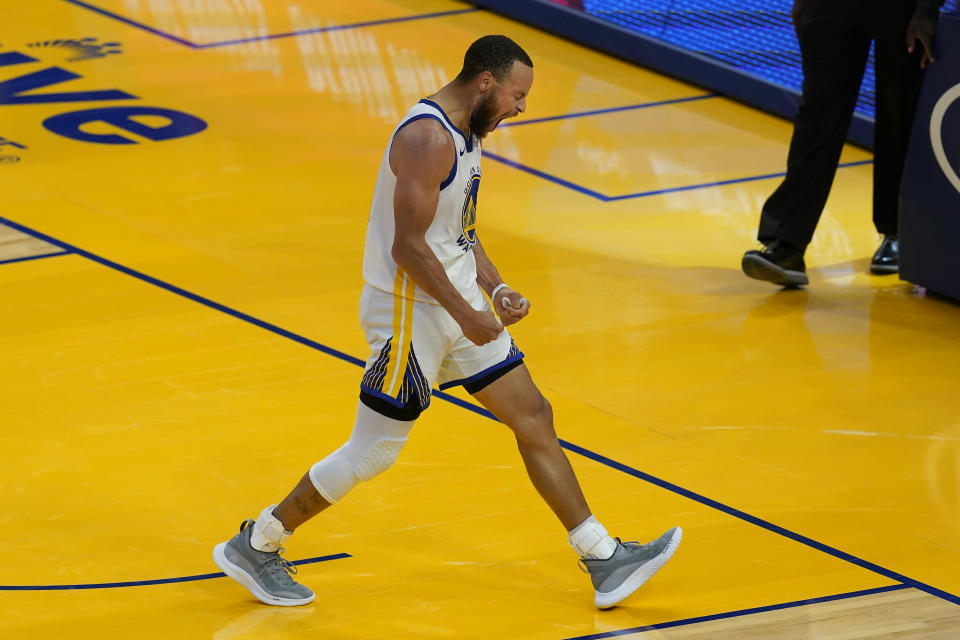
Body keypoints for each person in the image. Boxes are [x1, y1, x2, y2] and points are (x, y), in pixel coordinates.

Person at [212, 35, 682, 610]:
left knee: (533, 415)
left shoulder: (469, 133)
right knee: (373, 452)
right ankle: (259, 543)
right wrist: (469, 315)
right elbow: (408, 247)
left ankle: (602, 558)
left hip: (455, 305)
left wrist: (496, 287)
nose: (520, 107)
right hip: (410, 311)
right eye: (517, 95)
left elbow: (458, 228)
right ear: (485, 82)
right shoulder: (427, 138)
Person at [742, 0, 944, 287]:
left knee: (899, 114)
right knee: (817, 115)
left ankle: (897, 233)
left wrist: (927, 8)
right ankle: (787, 244)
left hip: (904, 7)